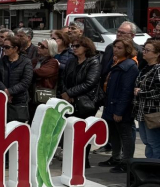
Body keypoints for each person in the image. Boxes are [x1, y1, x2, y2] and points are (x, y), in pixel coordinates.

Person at [58, 37, 101, 168]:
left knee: (83, 131)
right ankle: (70, 158)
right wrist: (66, 93)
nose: (74, 48)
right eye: (73, 46)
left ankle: (83, 160)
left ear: (86, 48)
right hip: (69, 101)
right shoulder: (72, 61)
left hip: (85, 102)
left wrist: (70, 93)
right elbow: (63, 78)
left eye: (77, 46)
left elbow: (90, 83)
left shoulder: (93, 62)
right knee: (69, 131)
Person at [100, 39, 139, 173]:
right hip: (111, 104)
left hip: (120, 107)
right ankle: (115, 157)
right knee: (114, 133)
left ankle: (126, 162)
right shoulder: (117, 63)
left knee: (125, 135)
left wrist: (119, 111)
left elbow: (126, 91)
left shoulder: (129, 66)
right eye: (115, 47)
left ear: (127, 50)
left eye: (119, 48)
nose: (115, 50)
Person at [0, 35, 33, 123]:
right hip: (2, 99)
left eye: (7, 47)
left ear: (15, 48)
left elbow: (26, 82)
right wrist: (4, 91)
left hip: (19, 101)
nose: (4, 49)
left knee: (17, 127)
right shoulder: (1, 61)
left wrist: (9, 92)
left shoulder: (26, 62)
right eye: (3, 47)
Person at [134, 40, 160, 159]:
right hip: (142, 112)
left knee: (154, 143)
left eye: (147, 50)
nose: (143, 52)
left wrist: (141, 93)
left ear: (157, 54)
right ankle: (149, 166)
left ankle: (155, 167)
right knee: (147, 142)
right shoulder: (145, 67)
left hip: (153, 113)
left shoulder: (158, 69)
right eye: (143, 49)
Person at [101, 21, 146, 86]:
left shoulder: (139, 51)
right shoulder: (110, 47)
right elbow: (104, 67)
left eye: (122, 33)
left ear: (132, 35)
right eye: (118, 31)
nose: (119, 34)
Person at [31, 39, 60, 111]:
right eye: (39, 44)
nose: (39, 47)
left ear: (50, 50)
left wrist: (28, 72)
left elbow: (40, 72)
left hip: (43, 94)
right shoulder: (35, 60)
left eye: (42, 46)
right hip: (31, 93)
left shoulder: (53, 62)